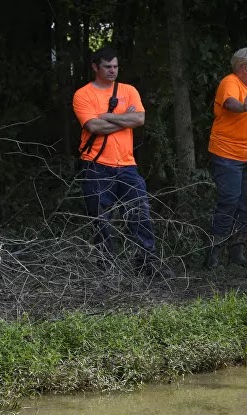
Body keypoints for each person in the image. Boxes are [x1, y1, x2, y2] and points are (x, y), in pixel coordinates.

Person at [73, 46, 174, 278]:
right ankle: (106, 269)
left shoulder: (128, 90)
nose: (112, 71)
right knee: (101, 219)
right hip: (95, 165)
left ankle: (146, 264)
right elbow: (93, 126)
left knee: (140, 214)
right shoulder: (83, 94)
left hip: (127, 165)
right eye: (107, 67)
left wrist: (109, 117)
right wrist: (124, 119)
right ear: (95, 67)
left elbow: (140, 119)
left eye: (115, 66)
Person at [204, 47, 247, 269]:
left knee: (245, 204)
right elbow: (230, 104)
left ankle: (236, 251)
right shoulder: (229, 82)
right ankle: (214, 251)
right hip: (228, 154)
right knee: (229, 201)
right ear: (243, 68)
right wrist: (243, 107)